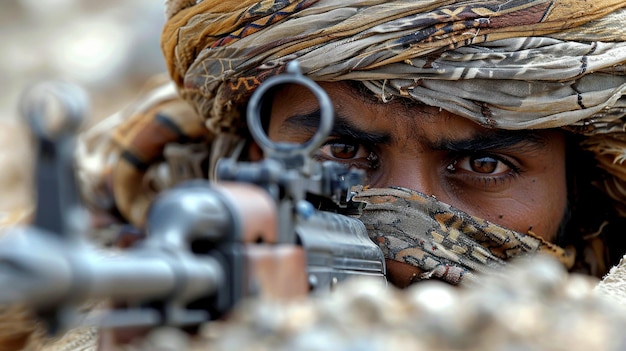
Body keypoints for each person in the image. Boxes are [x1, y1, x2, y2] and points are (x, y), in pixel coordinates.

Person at [77, 0, 626, 287]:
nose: (403, 258)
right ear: (248, 156)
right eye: (340, 153)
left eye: (484, 163)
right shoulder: (133, 236)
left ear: (579, 185)